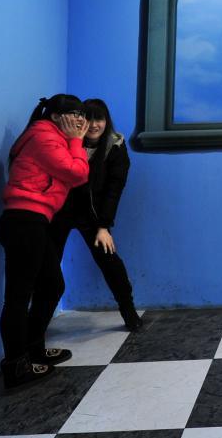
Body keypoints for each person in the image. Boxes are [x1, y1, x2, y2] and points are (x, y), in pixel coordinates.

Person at [0, 94, 89, 389]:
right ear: (55, 117)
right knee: (18, 297)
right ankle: (16, 367)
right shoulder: (44, 138)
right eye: (74, 114)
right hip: (24, 220)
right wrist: (76, 142)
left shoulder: (51, 138)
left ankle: (34, 349)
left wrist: (72, 142)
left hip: (33, 221)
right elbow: (77, 173)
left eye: (82, 114)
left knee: (52, 286)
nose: (81, 120)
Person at [50, 99, 142, 331]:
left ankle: (129, 312)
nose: (93, 125)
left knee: (110, 262)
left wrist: (103, 226)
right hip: (59, 211)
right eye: (88, 118)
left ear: (106, 121)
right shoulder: (64, 141)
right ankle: (38, 325)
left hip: (93, 215)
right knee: (47, 265)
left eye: (99, 119)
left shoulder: (115, 146)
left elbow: (114, 189)